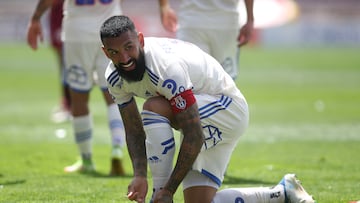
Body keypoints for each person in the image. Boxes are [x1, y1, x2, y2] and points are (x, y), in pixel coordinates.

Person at [100, 15, 315, 203]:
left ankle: (157, 194)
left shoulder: (166, 68)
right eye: (114, 52)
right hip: (204, 117)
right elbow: (134, 130)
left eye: (129, 47)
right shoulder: (113, 77)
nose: (124, 58)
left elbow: (194, 135)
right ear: (105, 52)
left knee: (154, 107)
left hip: (228, 109)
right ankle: (282, 193)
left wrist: (167, 191)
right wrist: (139, 175)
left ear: (140, 40)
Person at [26, 0, 126, 176]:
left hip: (77, 33)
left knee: (78, 96)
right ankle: (117, 149)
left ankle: (86, 160)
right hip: (112, 29)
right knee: (115, 95)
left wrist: (36, 18)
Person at [158, 0, 254, 80]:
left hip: (191, 20)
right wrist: (250, 19)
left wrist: (164, 6)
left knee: (192, 80)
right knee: (225, 83)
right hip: (226, 22)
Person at [27, 0, 71, 123]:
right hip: (62, 12)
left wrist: (35, 18)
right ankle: (68, 103)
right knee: (64, 59)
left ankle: (69, 106)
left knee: (66, 60)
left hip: (67, 12)